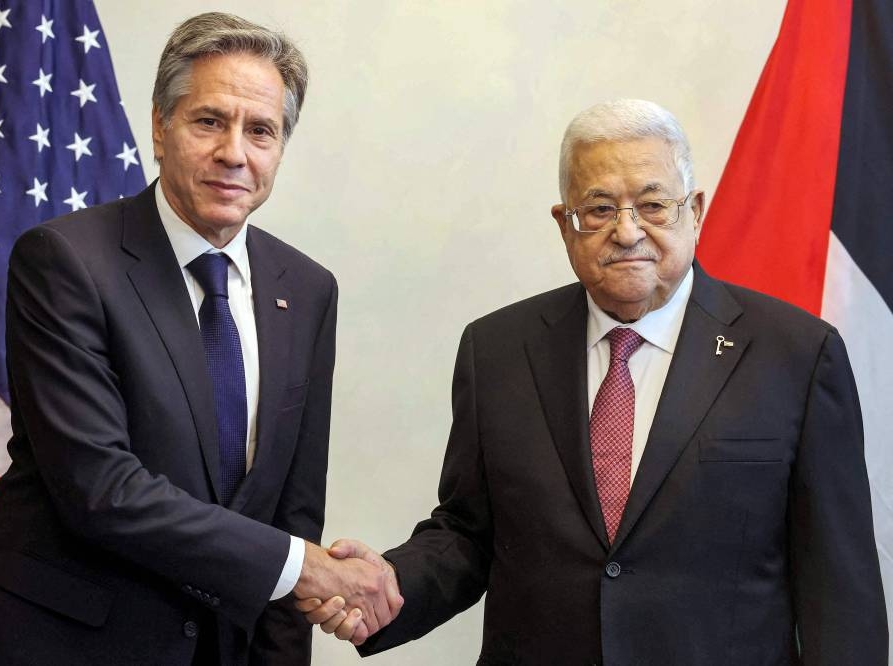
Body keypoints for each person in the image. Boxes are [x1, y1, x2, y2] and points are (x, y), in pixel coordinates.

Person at [303, 99, 888, 663]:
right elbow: (469, 532)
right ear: (565, 224)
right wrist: (388, 585)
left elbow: (839, 588)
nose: (628, 232)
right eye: (600, 209)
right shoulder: (498, 350)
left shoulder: (796, 355)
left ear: (695, 211)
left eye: (654, 205)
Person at [0, 12, 396, 665]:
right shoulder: (64, 261)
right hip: (53, 645)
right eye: (209, 121)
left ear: (281, 147)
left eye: (260, 130)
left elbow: (292, 511)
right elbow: (103, 488)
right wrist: (304, 568)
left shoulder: (308, 291)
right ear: (160, 125)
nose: (235, 151)